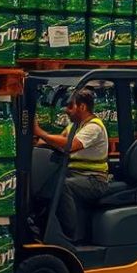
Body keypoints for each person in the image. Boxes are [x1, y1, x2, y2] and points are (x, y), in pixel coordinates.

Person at [32, 87, 111, 242]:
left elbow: (71, 145)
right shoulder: (74, 126)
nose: (66, 110)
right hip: (77, 175)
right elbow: (57, 141)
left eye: (70, 106)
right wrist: (33, 141)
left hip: (94, 180)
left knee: (62, 186)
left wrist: (40, 132)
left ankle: (68, 235)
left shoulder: (93, 127)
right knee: (47, 183)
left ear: (82, 107)